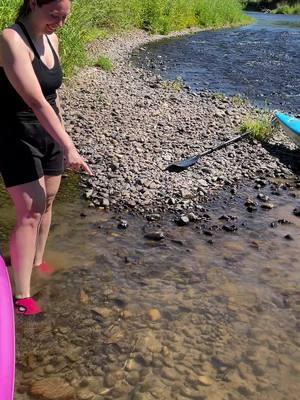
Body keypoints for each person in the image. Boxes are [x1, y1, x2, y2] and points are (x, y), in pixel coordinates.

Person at [0, 0, 92, 316]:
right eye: (54, 15)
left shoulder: (53, 38)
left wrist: (61, 139)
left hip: (50, 131)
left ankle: (36, 260)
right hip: (17, 134)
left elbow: (53, 97)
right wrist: (70, 148)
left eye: (65, 17)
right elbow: (37, 102)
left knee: (49, 200)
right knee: (30, 210)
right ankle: (22, 295)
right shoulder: (11, 39)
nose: (60, 23)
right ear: (33, 3)